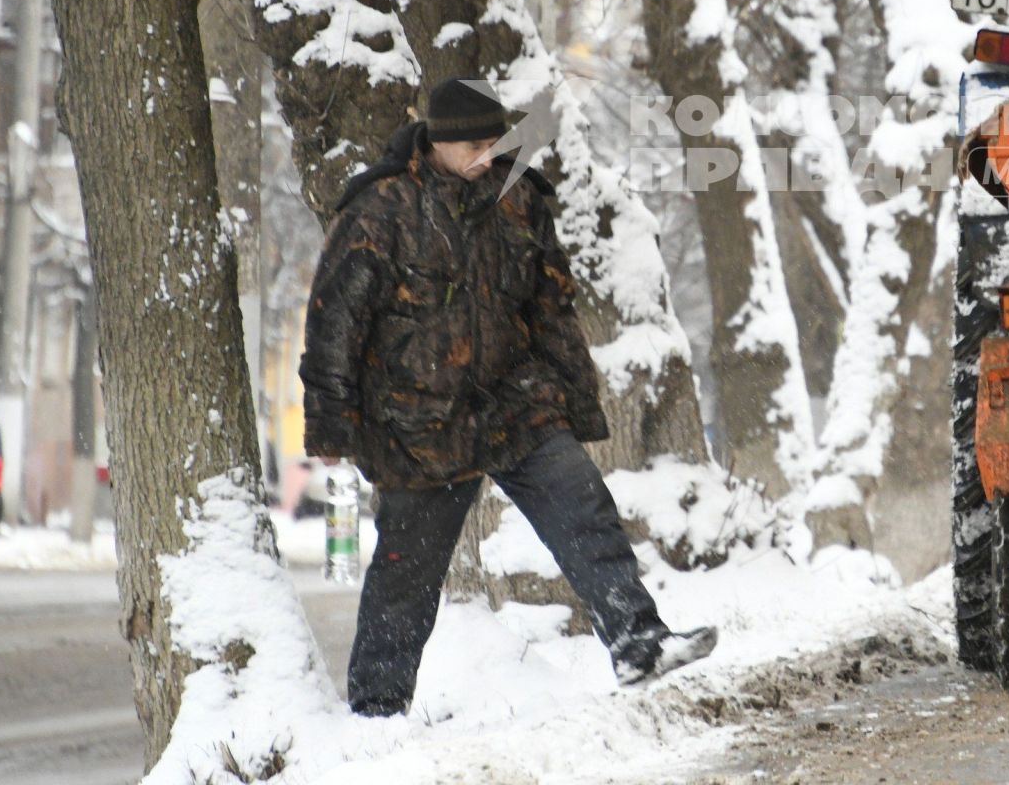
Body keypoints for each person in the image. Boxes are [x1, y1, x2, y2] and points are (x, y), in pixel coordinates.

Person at [300, 77, 716, 716]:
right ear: (437, 142)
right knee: (406, 576)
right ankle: (377, 711)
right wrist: (331, 425)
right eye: (475, 143)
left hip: (516, 402)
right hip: (419, 424)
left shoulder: (520, 197)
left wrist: (573, 399)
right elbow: (335, 320)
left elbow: (552, 307)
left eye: (498, 141)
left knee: (585, 511)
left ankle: (637, 639)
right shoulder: (381, 208)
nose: (490, 155)